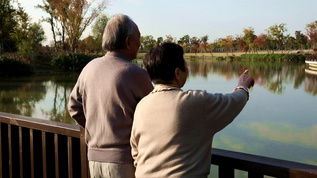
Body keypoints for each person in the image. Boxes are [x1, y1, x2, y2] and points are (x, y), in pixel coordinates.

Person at [130, 42, 255, 178]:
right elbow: (234, 102)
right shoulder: (195, 102)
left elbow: (136, 152)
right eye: (185, 64)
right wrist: (242, 86)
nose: (187, 68)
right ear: (177, 73)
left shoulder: (142, 105)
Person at [68, 14, 153, 178]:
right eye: (138, 38)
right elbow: (154, 114)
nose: (140, 43)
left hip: (93, 159)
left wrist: (98, 128)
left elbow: (73, 107)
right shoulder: (137, 74)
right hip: (124, 161)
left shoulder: (89, 68)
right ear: (128, 42)